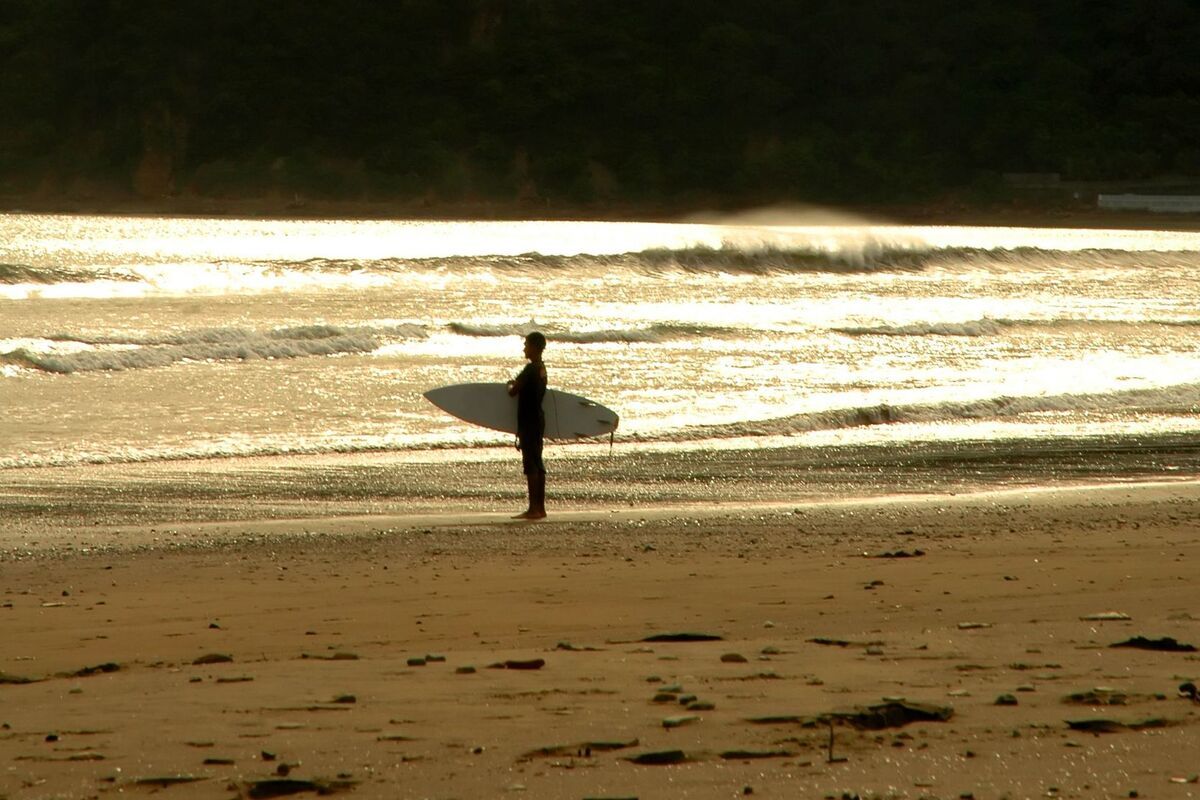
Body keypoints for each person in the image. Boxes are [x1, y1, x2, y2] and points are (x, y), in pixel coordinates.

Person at [507, 331, 547, 519]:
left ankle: (533, 509)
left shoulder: (530, 369)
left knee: (530, 464)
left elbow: (513, 391)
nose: (524, 348)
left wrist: (509, 385)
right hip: (538, 419)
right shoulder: (542, 369)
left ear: (535, 347)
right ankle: (540, 508)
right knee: (538, 463)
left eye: (527, 344)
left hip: (528, 421)